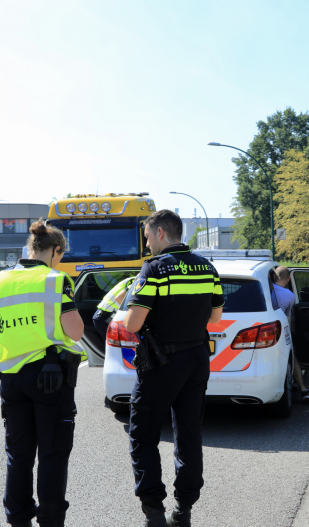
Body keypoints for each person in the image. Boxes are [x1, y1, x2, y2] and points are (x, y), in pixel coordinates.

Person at [0, 220, 86, 527]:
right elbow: (74, 332)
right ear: (55, 251)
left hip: (10, 378)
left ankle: (18, 520)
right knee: (52, 455)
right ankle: (50, 520)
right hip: (50, 379)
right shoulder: (55, 281)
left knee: (18, 457)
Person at [123, 209, 223, 527]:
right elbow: (216, 317)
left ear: (162, 233)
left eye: (148, 236)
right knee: (189, 435)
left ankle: (154, 513)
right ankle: (183, 511)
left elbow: (133, 323)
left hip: (161, 363)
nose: (147, 243)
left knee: (143, 435)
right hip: (196, 359)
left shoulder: (154, 269)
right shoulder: (207, 267)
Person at [272, 266, 309, 403]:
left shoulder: (264, 290)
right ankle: (303, 390)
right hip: (279, 330)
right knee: (291, 356)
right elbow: (287, 319)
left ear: (273, 277)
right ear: (288, 279)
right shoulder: (290, 296)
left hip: (262, 329)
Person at [92, 276, 135, 342]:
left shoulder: (135, 280)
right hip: (105, 317)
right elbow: (119, 298)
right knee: (114, 346)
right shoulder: (136, 283)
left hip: (108, 316)